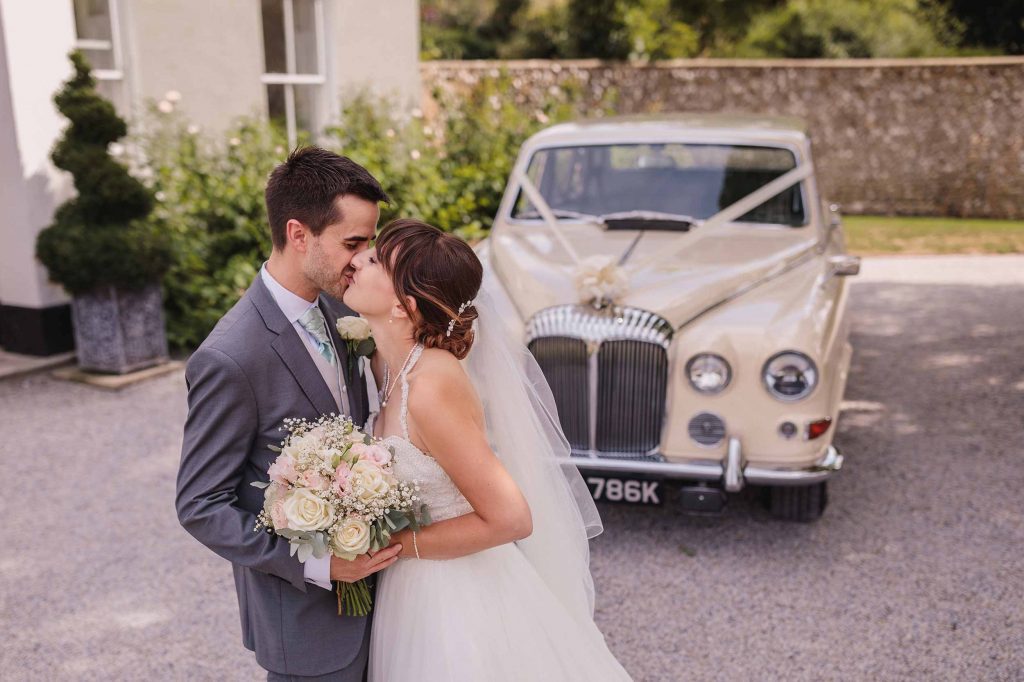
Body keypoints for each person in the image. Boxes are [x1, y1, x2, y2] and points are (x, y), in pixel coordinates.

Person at [343, 218, 632, 681]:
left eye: (375, 259)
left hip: (453, 599)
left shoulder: (431, 385)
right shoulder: (386, 365)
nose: (356, 258)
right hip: (413, 586)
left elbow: (511, 517)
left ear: (404, 305)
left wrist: (388, 544)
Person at [175, 147, 400, 681]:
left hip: (388, 608)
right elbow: (200, 505)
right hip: (305, 629)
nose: (364, 258)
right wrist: (321, 564)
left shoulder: (344, 309)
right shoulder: (230, 357)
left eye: (369, 241)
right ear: (299, 234)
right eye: (353, 242)